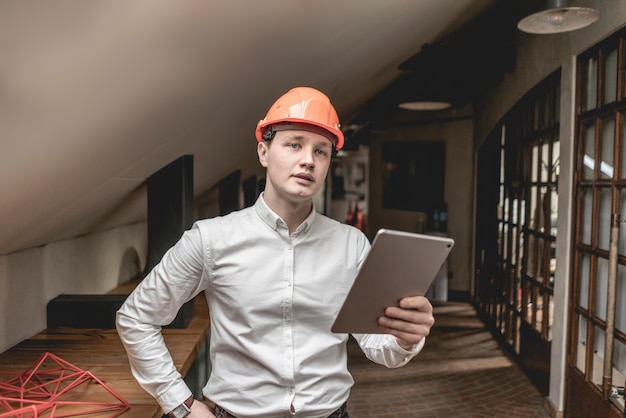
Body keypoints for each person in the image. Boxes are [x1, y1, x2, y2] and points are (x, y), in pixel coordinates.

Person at [116, 86, 435, 418]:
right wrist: (180, 404)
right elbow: (137, 317)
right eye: (294, 144)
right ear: (264, 152)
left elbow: (377, 346)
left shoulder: (351, 245)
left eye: (322, 151)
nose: (308, 160)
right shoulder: (211, 239)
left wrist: (405, 338)